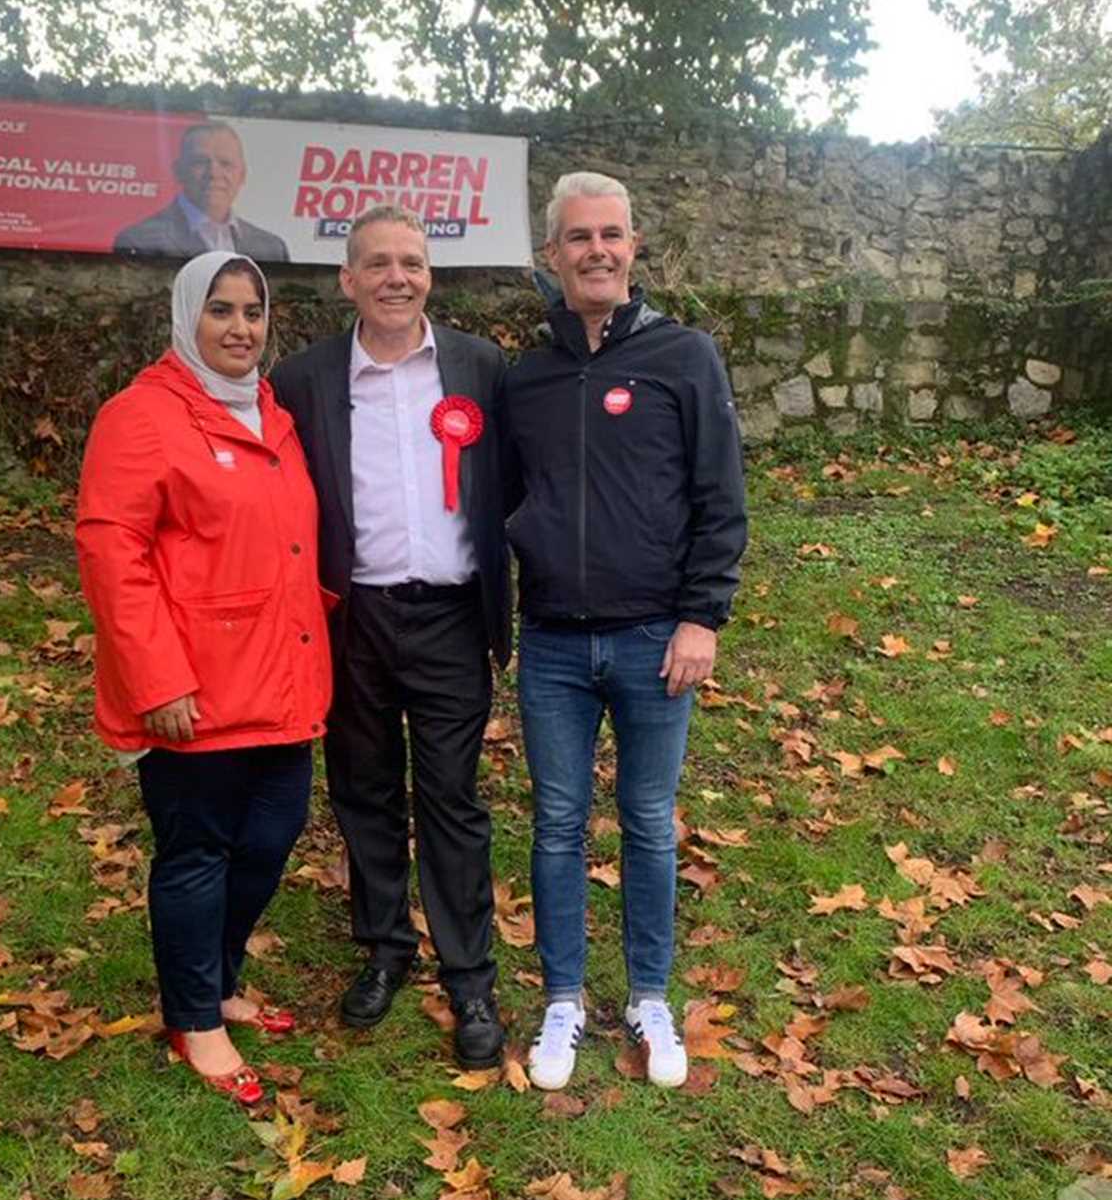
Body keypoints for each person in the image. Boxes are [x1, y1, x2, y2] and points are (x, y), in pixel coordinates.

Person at [503, 172, 748, 1091]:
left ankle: (650, 993)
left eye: (611, 234)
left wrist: (702, 615)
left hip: (657, 641)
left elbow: (720, 498)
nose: (595, 250)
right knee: (559, 822)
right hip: (556, 646)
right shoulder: (525, 376)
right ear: (552, 256)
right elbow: (501, 500)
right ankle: (562, 995)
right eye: (578, 237)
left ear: (634, 247)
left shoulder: (686, 357)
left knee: (648, 821)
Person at [75, 251, 331, 1104]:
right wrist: (157, 678)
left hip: (280, 676)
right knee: (198, 851)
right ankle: (195, 1018)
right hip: (192, 688)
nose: (239, 327)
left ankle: (215, 982)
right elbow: (114, 554)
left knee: (270, 836)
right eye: (220, 310)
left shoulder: (272, 412)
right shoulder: (141, 417)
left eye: (253, 311)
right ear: (188, 316)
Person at [269, 204, 511, 1070]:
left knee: (451, 796)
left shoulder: (481, 368)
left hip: (450, 612)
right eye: (378, 263)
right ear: (347, 279)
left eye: (411, 261)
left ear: (430, 276)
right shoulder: (303, 379)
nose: (397, 277)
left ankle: (470, 974)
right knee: (364, 791)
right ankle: (384, 948)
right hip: (352, 620)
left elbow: (514, 485)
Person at [114, 122, 290, 261]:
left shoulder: (272, 248)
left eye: (225, 164)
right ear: (179, 171)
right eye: (200, 162)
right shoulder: (137, 241)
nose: (214, 173)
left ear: (242, 175)